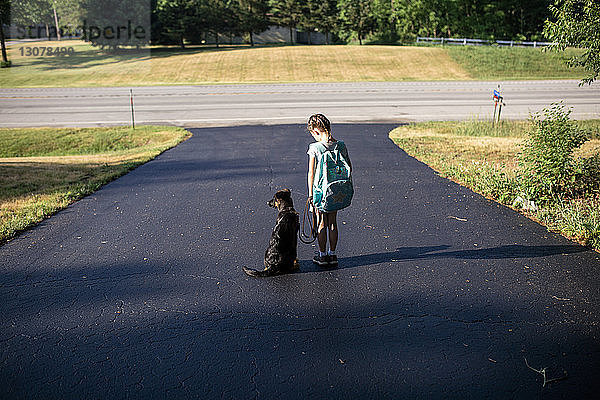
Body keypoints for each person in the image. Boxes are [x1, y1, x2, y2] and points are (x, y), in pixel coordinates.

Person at [306, 114, 352, 267]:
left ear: (315, 131)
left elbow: (311, 173)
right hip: (336, 191)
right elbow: (349, 167)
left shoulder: (315, 148)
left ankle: (322, 255)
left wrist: (311, 194)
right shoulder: (341, 145)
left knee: (321, 223)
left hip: (320, 191)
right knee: (333, 222)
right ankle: (333, 254)